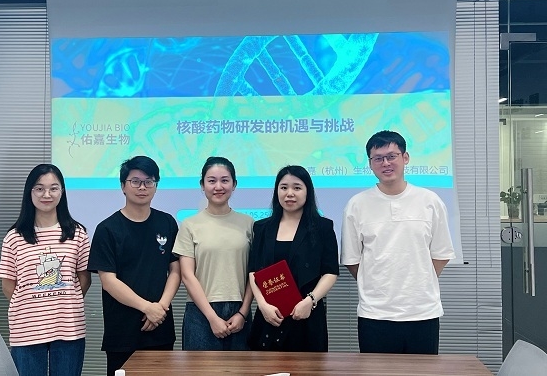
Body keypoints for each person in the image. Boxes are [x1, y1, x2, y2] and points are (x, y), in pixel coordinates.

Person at [341, 130, 456, 354]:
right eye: (378, 158)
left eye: (392, 156)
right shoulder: (357, 205)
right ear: (370, 164)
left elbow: (441, 254)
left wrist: (418, 279)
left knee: (422, 371)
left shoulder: (430, 201)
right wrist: (377, 282)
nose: (385, 163)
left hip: (422, 312)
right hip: (375, 314)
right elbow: (352, 260)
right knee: (375, 371)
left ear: (405, 158)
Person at [88, 156, 180, 376]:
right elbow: (109, 281)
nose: (142, 187)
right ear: (123, 186)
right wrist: (147, 308)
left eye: (149, 181)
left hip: (160, 328)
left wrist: (160, 308)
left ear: (156, 186)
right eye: (135, 181)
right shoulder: (107, 229)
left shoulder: (167, 223)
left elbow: (176, 271)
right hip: (122, 333)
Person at [0, 164, 91, 376]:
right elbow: (8, 286)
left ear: (62, 192)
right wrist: (34, 305)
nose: (46, 194)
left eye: (53, 188)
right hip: (26, 330)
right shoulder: (14, 237)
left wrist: (64, 300)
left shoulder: (77, 234)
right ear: (29, 192)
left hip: (69, 328)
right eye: (39, 188)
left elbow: (84, 279)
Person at [248, 165, 339, 351]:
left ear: (307, 192)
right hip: (270, 316)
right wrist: (262, 305)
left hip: (307, 315)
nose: (290, 193)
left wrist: (310, 301)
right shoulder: (262, 228)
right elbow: (253, 271)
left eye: (297, 187)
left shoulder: (323, 227)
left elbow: (330, 271)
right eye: (284, 187)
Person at [172, 156, 254, 350]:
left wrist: (243, 313)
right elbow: (187, 275)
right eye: (211, 181)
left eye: (225, 180)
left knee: (241, 367)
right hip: (200, 312)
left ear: (234, 184)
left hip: (239, 312)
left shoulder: (249, 223)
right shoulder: (189, 225)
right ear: (202, 185)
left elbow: (254, 273)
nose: (218, 186)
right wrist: (212, 317)